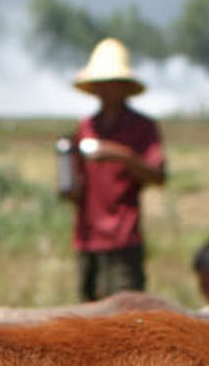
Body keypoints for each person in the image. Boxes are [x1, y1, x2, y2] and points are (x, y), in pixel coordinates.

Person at [65, 37, 165, 301]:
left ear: (123, 87)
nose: (105, 89)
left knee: (126, 316)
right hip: (88, 237)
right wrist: (67, 185)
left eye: (111, 83)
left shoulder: (142, 127)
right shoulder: (85, 127)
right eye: (100, 83)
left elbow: (158, 175)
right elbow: (77, 186)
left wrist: (121, 155)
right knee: (88, 319)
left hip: (123, 237)